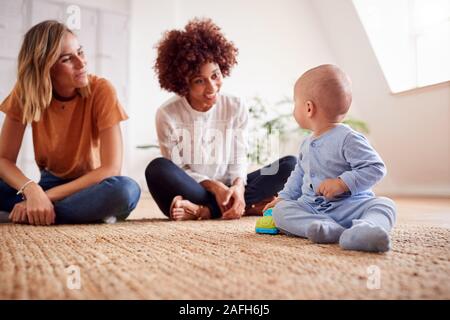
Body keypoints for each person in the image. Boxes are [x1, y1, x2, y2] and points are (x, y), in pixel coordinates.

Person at [146, 18, 297, 221]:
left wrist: (237, 187)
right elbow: (178, 168)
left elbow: (239, 155)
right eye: (199, 80)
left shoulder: (235, 105)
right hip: (195, 187)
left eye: (215, 75)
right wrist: (214, 186)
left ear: (222, 68)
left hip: (230, 185)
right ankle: (242, 206)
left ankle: (204, 211)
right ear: (183, 84)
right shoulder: (167, 114)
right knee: (158, 169)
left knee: (290, 165)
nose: (212, 87)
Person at [0, 20, 141, 225]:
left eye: (80, 52)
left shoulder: (102, 90)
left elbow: (110, 169)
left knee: (126, 190)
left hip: (92, 186)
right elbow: (4, 160)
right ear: (45, 68)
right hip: (48, 183)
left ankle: (38, 212)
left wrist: (45, 198)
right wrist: (32, 190)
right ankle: (59, 212)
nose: (81, 62)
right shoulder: (25, 93)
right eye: (67, 59)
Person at [262, 64, 396, 252]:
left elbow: (375, 168)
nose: (294, 109)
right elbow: (298, 175)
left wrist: (342, 183)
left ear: (308, 108)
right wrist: (283, 198)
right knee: (280, 212)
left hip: (352, 206)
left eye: (295, 103)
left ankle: (365, 230)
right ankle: (327, 229)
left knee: (384, 205)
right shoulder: (306, 143)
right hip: (313, 209)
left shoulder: (348, 138)